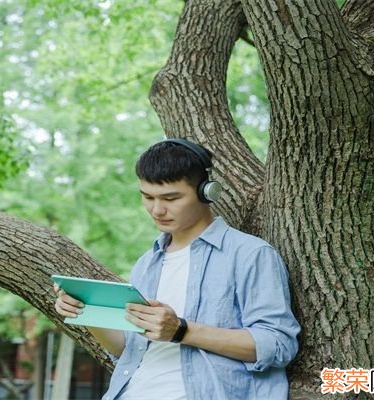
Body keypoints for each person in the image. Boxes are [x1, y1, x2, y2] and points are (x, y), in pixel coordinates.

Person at [53, 138, 300, 399]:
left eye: (171, 198)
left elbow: (278, 345)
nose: (157, 210)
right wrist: (86, 313)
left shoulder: (250, 255)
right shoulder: (146, 263)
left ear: (207, 192)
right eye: (148, 197)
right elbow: (129, 348)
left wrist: (182, 330)